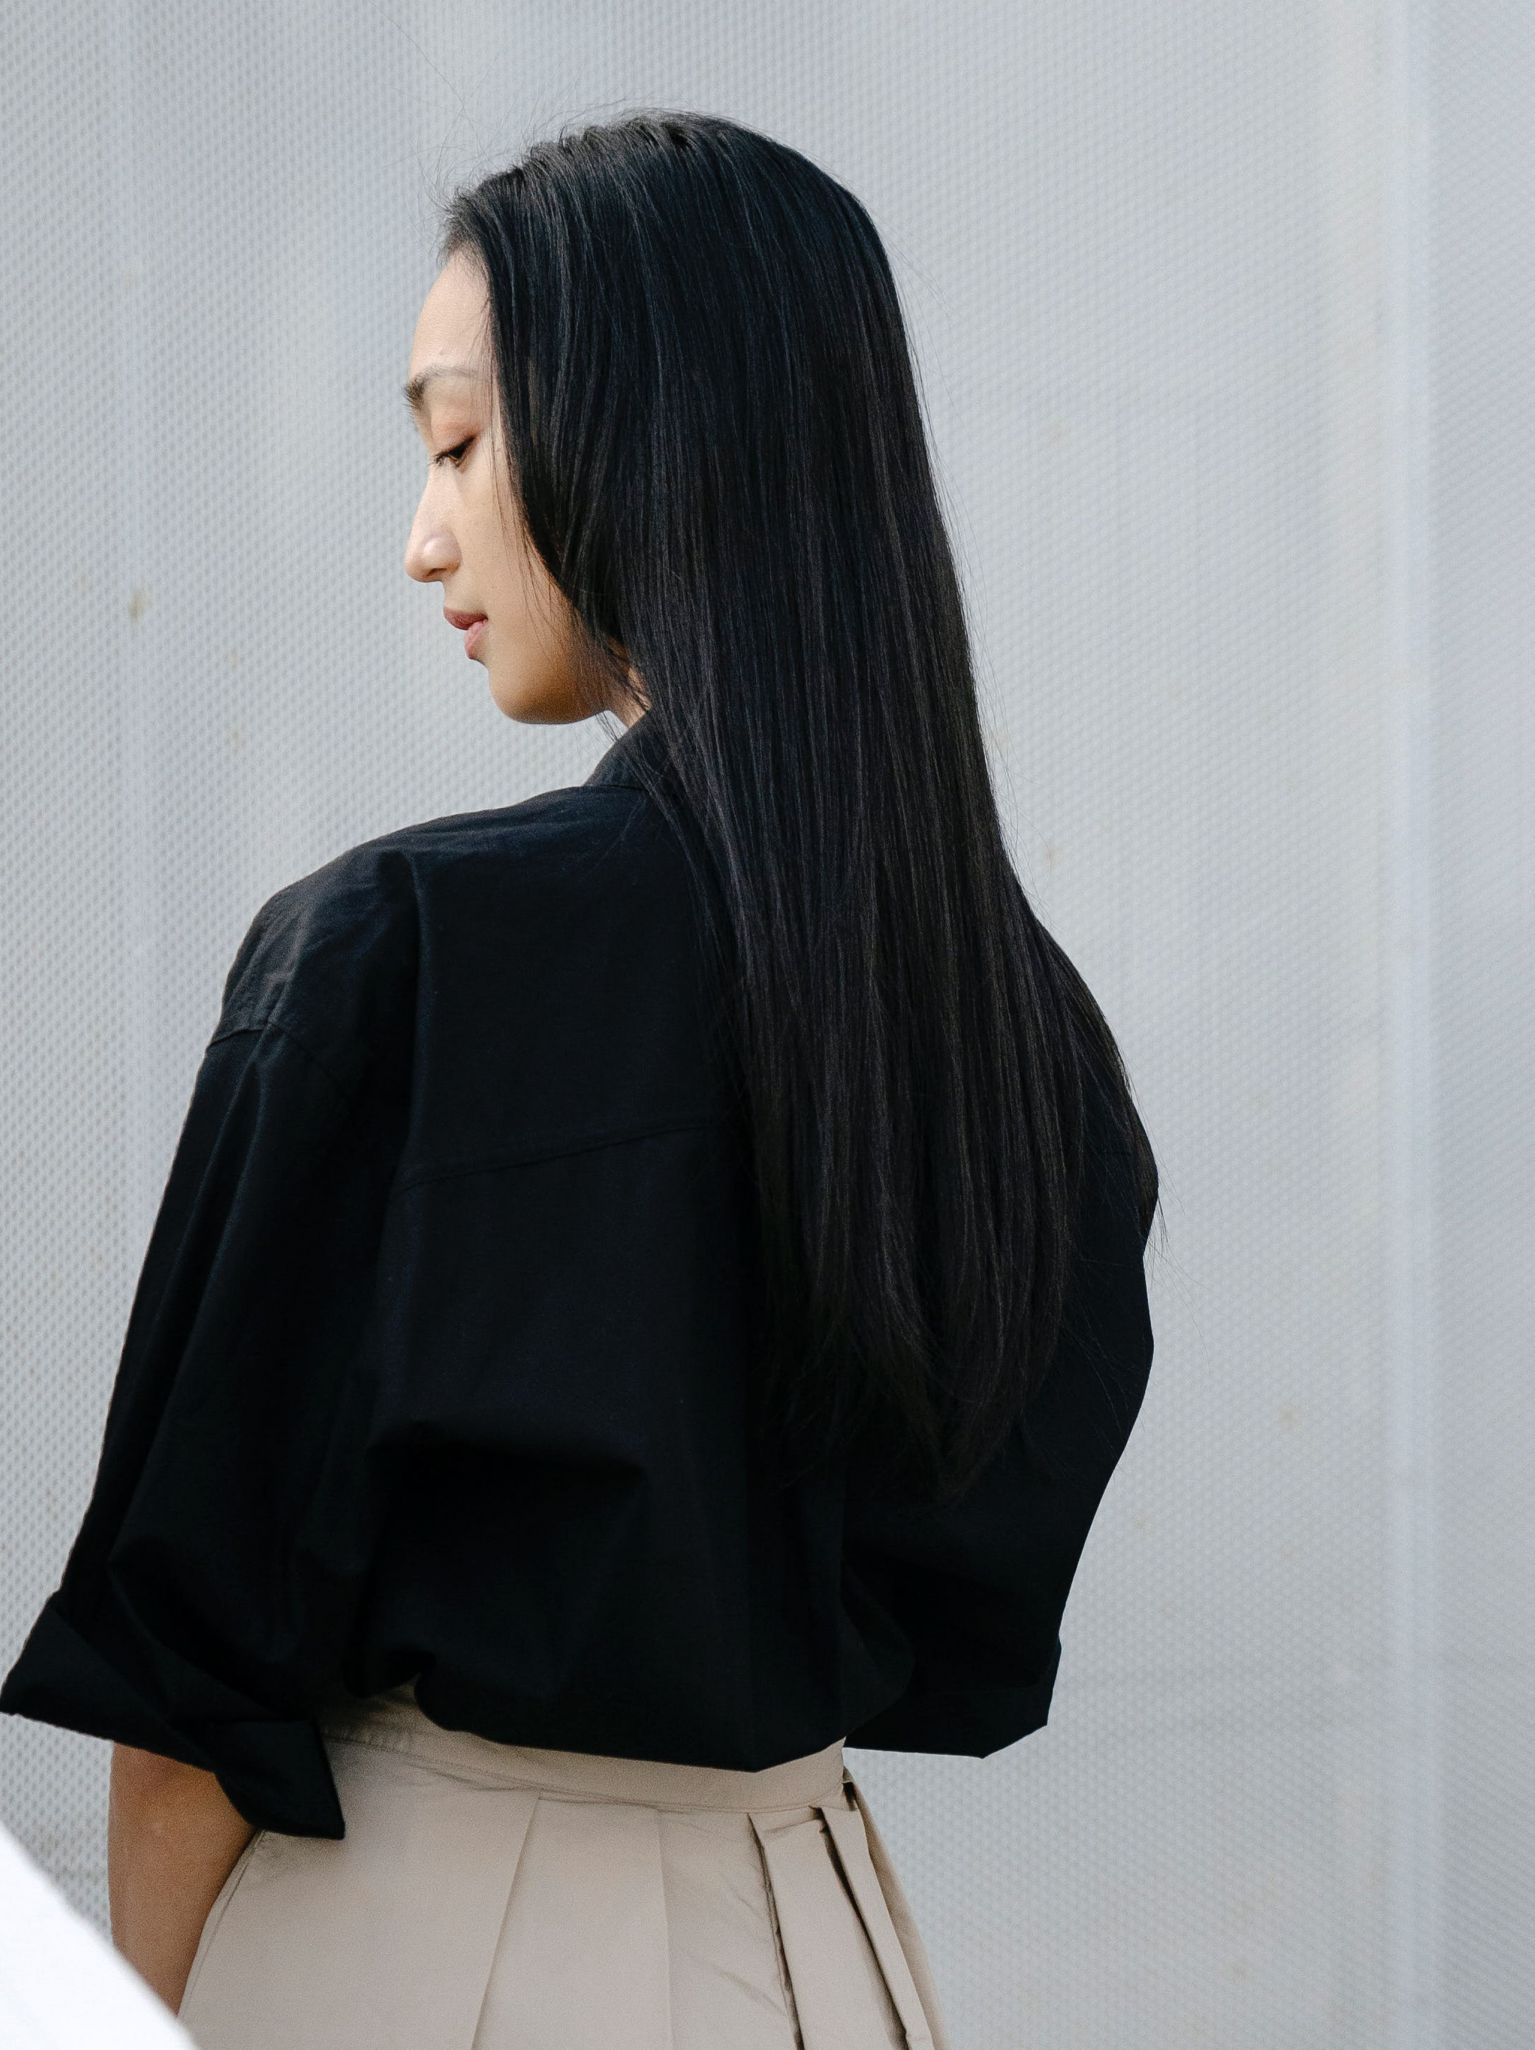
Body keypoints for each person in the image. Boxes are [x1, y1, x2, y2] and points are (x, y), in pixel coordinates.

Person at [0, 110, 1161, 2049]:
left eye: (460, 442)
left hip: (423, 1942)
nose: (423, 534)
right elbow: (960, 1620)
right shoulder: (1024, 1039)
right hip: (825, 1945)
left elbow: (188, 1691)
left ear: (651, 436)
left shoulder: (402, 953)